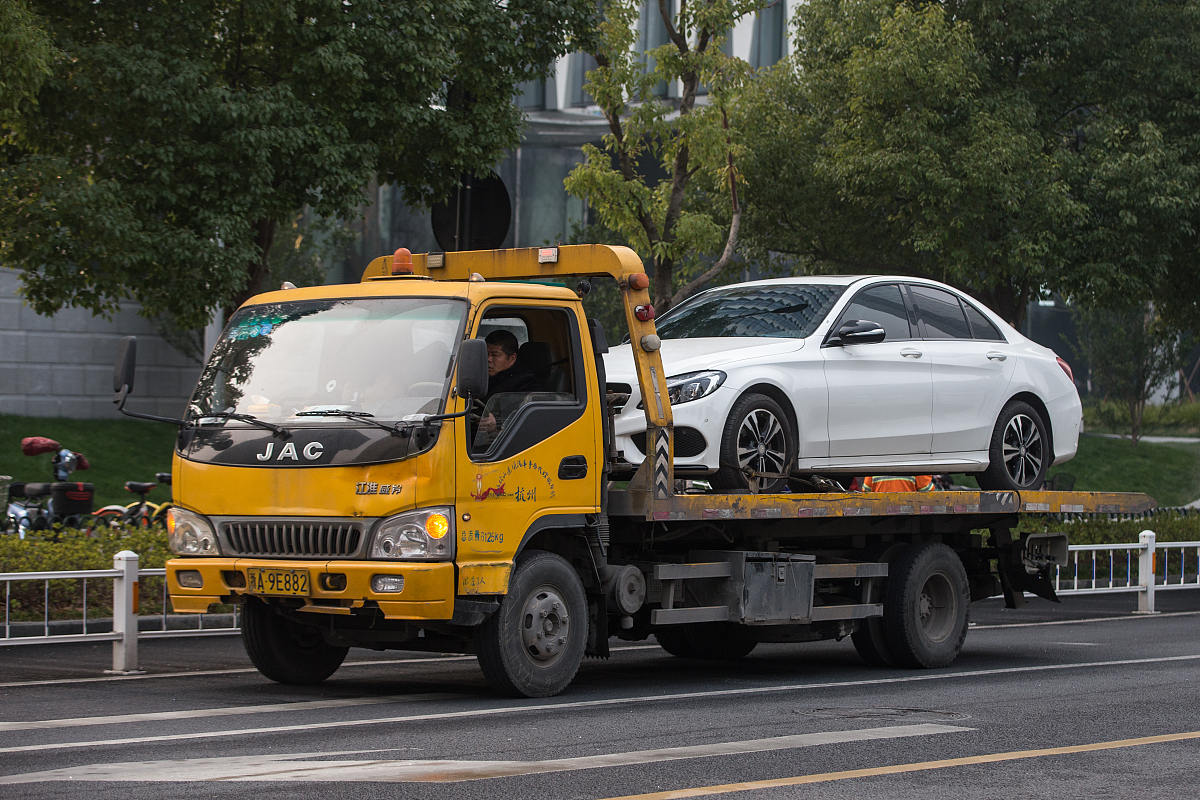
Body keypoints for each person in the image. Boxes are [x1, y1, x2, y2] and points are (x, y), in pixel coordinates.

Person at [477, 330, 542, 436]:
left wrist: (498, 423)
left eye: (495, 355)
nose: (488, 359)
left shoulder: (526, 383)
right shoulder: (481, 376)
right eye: (486, 354)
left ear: (512, 359)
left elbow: (532, 418)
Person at [857, 475, 936, 492]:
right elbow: (927, 490)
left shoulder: (876, 463)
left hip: (880, 512)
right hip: (909, 514)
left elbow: (866, 491)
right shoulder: (914, 463)